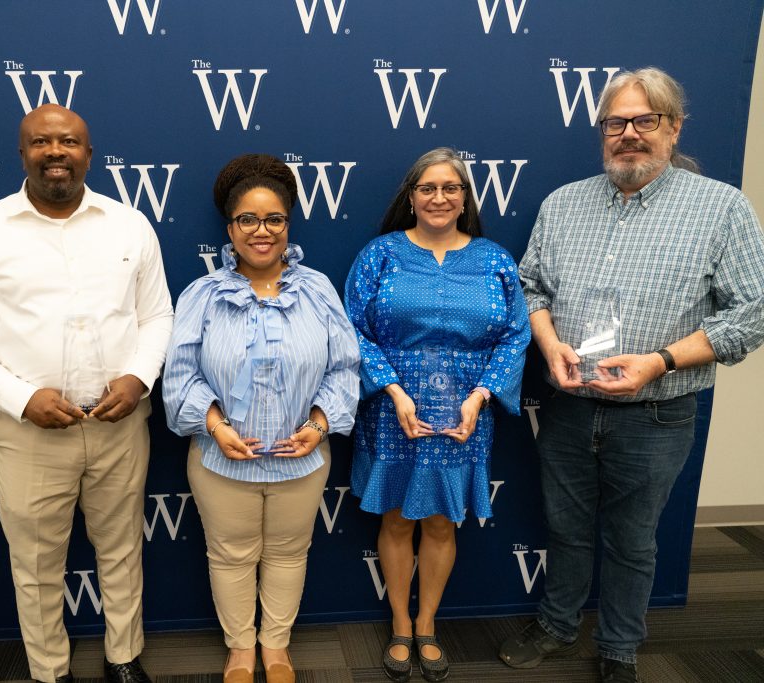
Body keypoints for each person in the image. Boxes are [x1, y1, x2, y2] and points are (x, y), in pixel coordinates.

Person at [500, 67, 764, 683]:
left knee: (632, 540)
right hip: (568, 404)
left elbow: (750, 314)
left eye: (646, 121)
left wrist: (659, 361)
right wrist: (550, 346)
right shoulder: (563, 204)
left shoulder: (721, 208)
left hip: (657, 413)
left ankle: (619, 646)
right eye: (617, 122)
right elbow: (529, 286)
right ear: (602, 131)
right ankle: (558, 625)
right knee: (564, 529)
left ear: (674, 128)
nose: (629, 134)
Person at [0, 103, 173, 683]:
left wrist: (138, 377)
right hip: (28, 431)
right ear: (22, 154)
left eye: (68, 142)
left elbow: (158, 316)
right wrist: (19, 398)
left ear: (89, 153)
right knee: (35, 564)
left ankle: (124, 658)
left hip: (119, 425)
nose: (55, 152)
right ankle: (48, 671)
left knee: (120, 551)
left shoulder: (130, 225)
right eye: (41, 142)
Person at [162, 154, 360, 683]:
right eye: (247, 219)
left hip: (303, 461)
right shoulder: (202, 296)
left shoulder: (317, 290)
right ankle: (240, 651)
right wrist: (218, 427)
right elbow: (181, 375)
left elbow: (344, 369)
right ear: (229, 229)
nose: (261, 231)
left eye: (274, 219)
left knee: (289, 554)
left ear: (287, 225)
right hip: (221, 461)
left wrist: (318, 427)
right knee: (229, 555)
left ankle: (276, 648)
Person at [344, 148, 530, 682]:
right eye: (428, 187)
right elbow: (352, 330)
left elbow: (517, 333)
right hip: (392, 409)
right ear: (411, 196)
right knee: (398, 517)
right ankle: (400, 625)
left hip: (465, 413)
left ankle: (428, 625)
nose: (440, 197)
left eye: (451, 187)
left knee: (442, 522)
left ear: (465, 197)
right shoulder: (379, 255)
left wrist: (481, 396)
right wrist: (395, 392)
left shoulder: (495, 259)